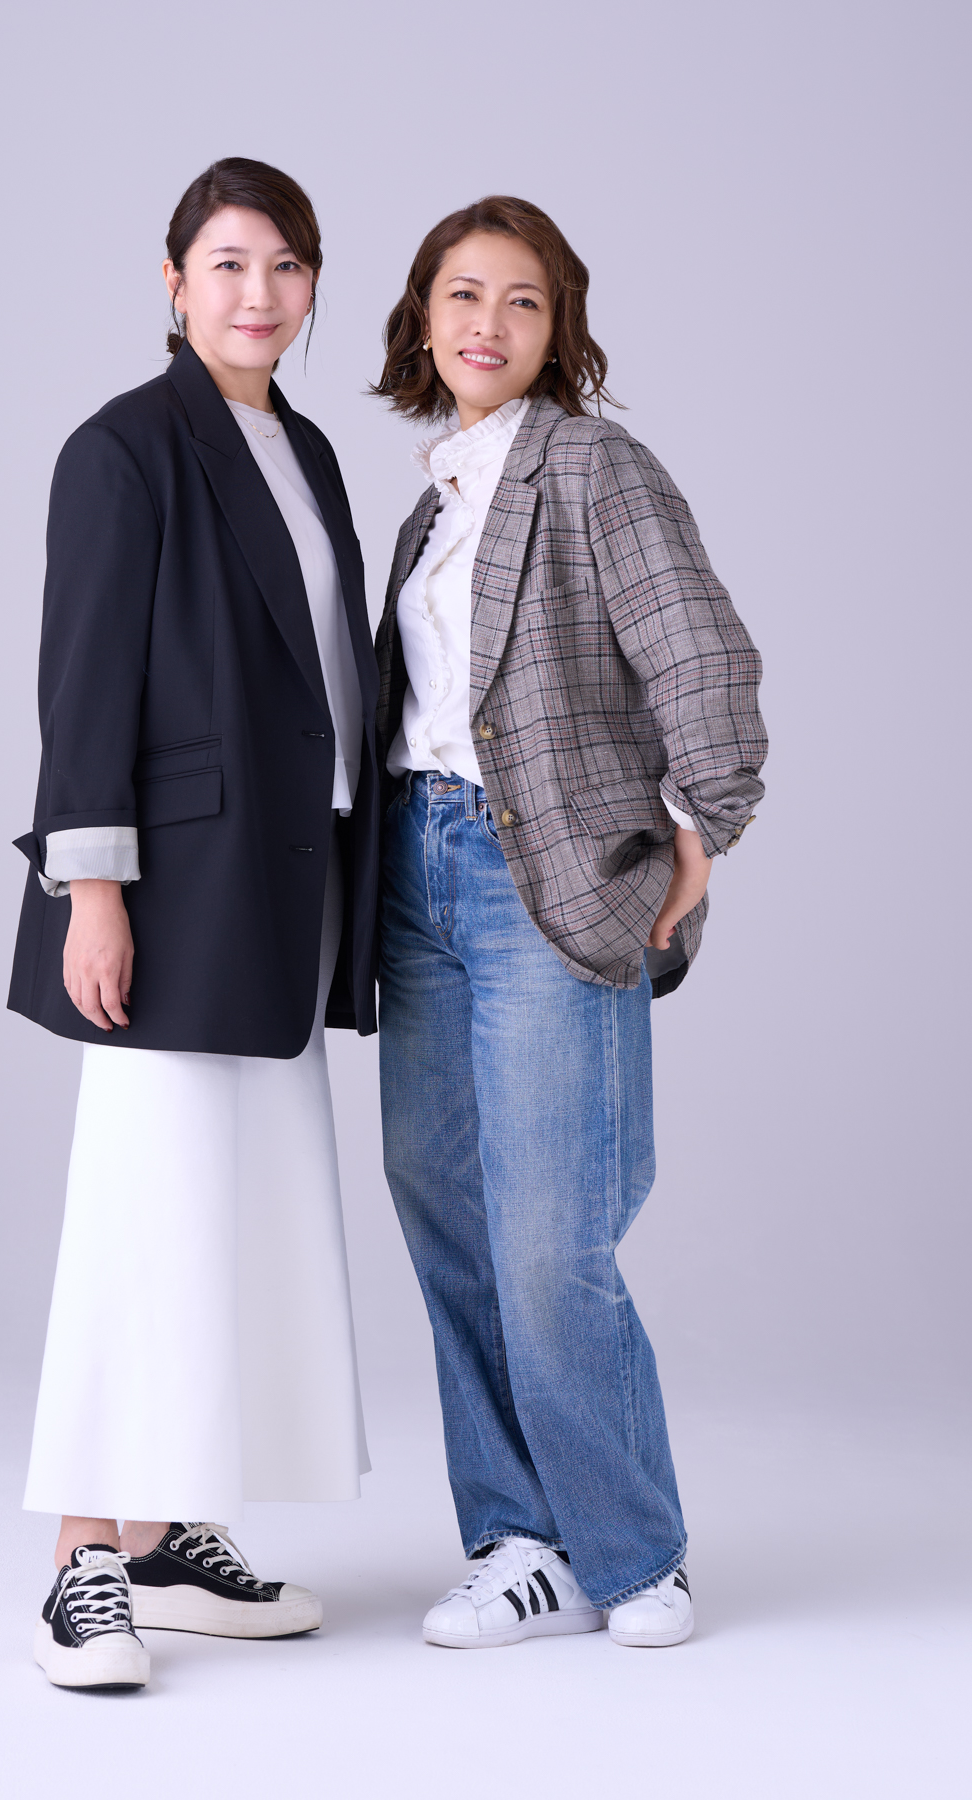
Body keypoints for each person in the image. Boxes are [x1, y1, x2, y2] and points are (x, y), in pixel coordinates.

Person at [370, 196, 767, 1650]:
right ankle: (521, 1541)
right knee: (450, 1215)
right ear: (423, 318)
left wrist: (702, 825)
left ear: (560, 329)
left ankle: (633, 1551)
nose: (488, 323)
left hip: (539, 876)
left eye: (523, 301)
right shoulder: (433, 501)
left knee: (553, 1235)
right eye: (463, 295)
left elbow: (702, 653)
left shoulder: (595, 466)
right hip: (412, 874)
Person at [7, 158, 380, 1691]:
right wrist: (94, 892)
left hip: (285, 890)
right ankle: (82, 1560)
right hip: (174, 897)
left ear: (311, 286)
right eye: (228, 264)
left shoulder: (305, 448)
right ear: (175, 285)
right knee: (140, 1213)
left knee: (235, 1217)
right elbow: (84, 681)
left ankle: (164, 1542)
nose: (258, 293)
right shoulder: (124, 449)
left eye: (285, 265)